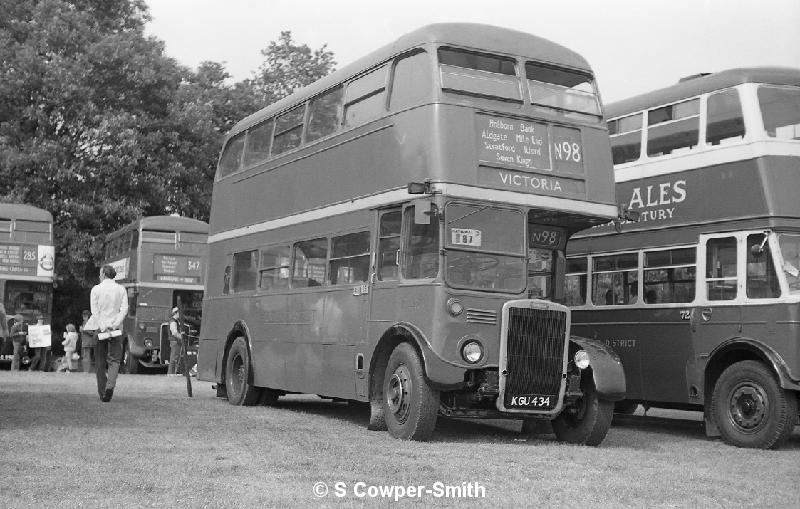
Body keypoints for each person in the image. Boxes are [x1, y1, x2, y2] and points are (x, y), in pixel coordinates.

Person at [89, 265, 128, 402]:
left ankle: (103, 391)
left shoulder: (96, 289)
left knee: (100, 362)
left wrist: (104, 326)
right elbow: (124, 310)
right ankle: (110, 385)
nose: (99, 276)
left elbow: (95, 311)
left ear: (104, 274)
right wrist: (115, 324)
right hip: (116, 329)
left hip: (101, 328)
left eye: (100, 273)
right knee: (115, 360)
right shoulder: (121, 289)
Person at [167, 307, 183, 376]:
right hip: (175, 341)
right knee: (174, 358)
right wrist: (182, 337)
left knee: (175, 357)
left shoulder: (175, 321)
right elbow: (174, 333)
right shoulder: (173, 322)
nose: (180, 315)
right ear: (175, 313)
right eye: (179, 313)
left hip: (175, 341)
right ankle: (171, 373)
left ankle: (173, 372)